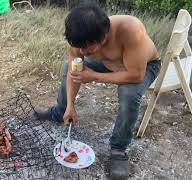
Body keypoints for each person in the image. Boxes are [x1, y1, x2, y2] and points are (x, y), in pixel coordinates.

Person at [34, 3, 161, 180]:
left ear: (104, 36)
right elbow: (75, 71)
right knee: (68, 67)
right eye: (79, 47)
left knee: (129, 93)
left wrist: (94, 76)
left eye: (88, 48)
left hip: (142, 67)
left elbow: (135, 76)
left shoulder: (131, 29)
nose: (83, 52)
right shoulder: (80, 38)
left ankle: (118, 149)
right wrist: (71, 105)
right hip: (109, 63)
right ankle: (60, 111)